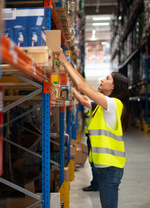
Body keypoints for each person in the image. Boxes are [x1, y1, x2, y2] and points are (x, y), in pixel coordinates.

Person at [56, 50, 129, 208]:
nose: (102, 80)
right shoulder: (102, 106)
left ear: (114, 86)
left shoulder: (113, 104)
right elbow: (82, 91)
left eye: (107, 78)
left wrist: (63, 61)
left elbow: (84, 87)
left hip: (110, 167)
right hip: (105, 166)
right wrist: (71, 85)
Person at [72, 88, 99, 191]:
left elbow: (83, 101)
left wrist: (73, 89)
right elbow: (84, 99)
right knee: (94, 161)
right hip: (92, 136)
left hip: (95, 138)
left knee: (94, 162)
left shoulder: (99, 105)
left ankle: (96, 184)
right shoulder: (97, 105)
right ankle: (98, 183)